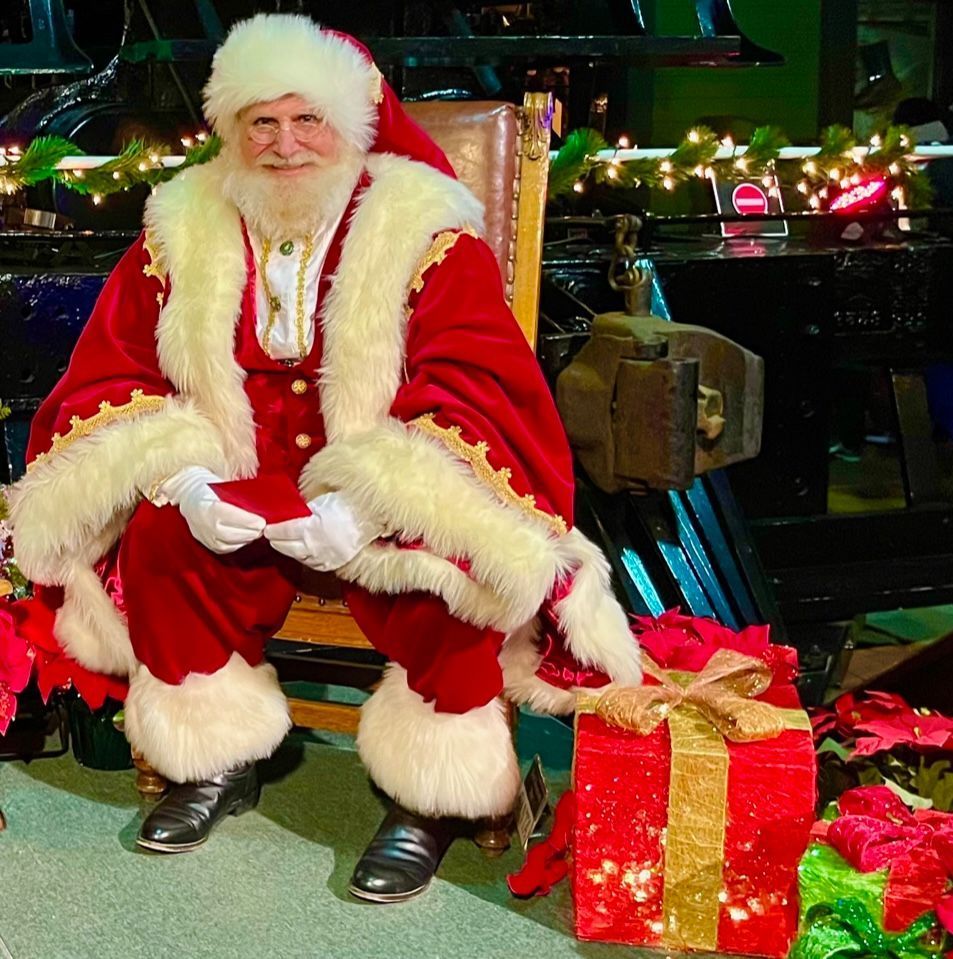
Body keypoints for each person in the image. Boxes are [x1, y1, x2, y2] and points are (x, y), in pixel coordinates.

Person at [8, 14, 641, 902]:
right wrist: (184, 477)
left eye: (307, 119)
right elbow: (117, 366)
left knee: (444, 558)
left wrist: (369, 503)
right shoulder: (180, 228)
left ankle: (428, 794)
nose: (284, 143)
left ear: (351, 123)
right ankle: (214, 757)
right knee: (159, 535)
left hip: (363, 480)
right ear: (230, 129)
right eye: (260, 122)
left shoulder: (422, 232)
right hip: (235, 479)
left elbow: (475, 385)